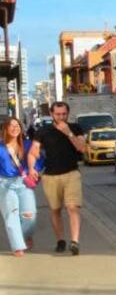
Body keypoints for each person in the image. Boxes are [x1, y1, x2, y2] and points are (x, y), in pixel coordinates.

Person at [30, 101, 87, 255]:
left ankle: (74, 242)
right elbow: (34, 151)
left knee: (73, 207)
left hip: (71, 173)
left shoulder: (75, 128)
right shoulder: (43, 131)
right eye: (58, 114)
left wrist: (69, 133)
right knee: (55, 210)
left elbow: (82, 148)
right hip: (50, 176)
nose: (61, 117)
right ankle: (60, 240)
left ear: (68, 113)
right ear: (51, 114)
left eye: (64, 114)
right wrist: (32, 167)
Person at [0, 116, 41, 256]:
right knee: (11, 215)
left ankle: (24, 235)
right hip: (4, 184)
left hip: (23, 183)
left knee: (30, 216)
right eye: (11, 125)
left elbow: (38, 158)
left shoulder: (28, 144)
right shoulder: (0, 146)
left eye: (17, 125)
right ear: (5, 129)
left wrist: (34, 170)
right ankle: (18, 246)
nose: (15, 128)